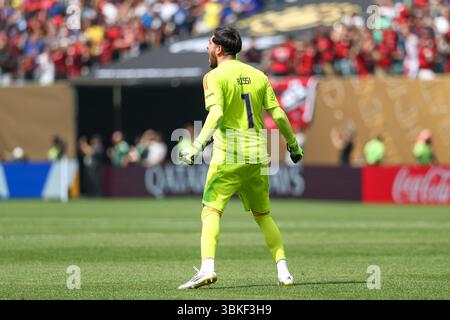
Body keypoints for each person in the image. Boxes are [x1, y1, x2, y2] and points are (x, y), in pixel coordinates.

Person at [177, 26, 304, 290]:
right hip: (258, 156)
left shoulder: (214, 77)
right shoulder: (258, 75)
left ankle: (207, 269)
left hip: (229, 156)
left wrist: (197, 146)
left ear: (219, 48)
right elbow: (278, 115)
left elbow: (217, 114)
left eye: (209, 45)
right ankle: (284, 272)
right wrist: (293, 145)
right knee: (264, 215)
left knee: (211, 210)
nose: (207, 49)